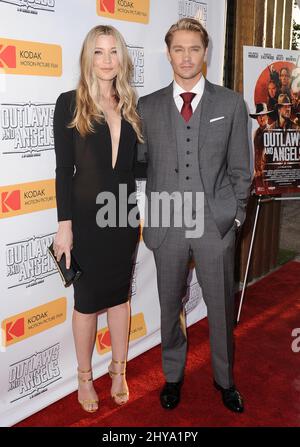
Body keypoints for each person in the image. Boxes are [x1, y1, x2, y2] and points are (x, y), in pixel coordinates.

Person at [137, 18, 251, 413]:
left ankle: (225, 380)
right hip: (165, 224)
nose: (186, 57)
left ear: (206, 53)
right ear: (168, 53)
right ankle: (172, 376)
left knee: (219, 309)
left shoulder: (231, 103)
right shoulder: (146, 106)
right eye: (179, 49)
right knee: (170, 304)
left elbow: (241, 168)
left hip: (214, 223)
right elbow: (138, 164)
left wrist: (234, 216)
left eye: (194, 49)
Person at [53, 25, 143, 413]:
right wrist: (64, 225)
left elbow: (140, 167)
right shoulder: (69, 103)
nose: (107, 60)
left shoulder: (131, 105)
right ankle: (85, 376)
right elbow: (62, 171)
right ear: (88, 57)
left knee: (120, 299)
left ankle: (119, 371)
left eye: (113, 52)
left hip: (124, 214)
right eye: (98, 52)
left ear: (122, 58)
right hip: (86, 221)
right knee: (87, 302)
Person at [249, 103, 272, 188]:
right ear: (257, 119)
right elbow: (256, 153)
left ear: (267, 117)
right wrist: (256, 170)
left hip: (268, 174)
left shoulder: (271, 132)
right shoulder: (256, 133)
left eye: (263, 115)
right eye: (259, 116)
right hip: (258, 174)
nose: (261, 118)